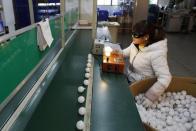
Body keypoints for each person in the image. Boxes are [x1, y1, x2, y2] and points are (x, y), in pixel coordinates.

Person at [123, 20, 172, 106]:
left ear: (146, 37)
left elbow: (165, 77)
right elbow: (125, 52)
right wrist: (113, 51)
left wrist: (150, 97)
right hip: (130, 79)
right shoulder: (136, 43)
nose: (132, 37)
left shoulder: (157, 54)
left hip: (142, 88)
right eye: (132, 33)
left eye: (135, 35)